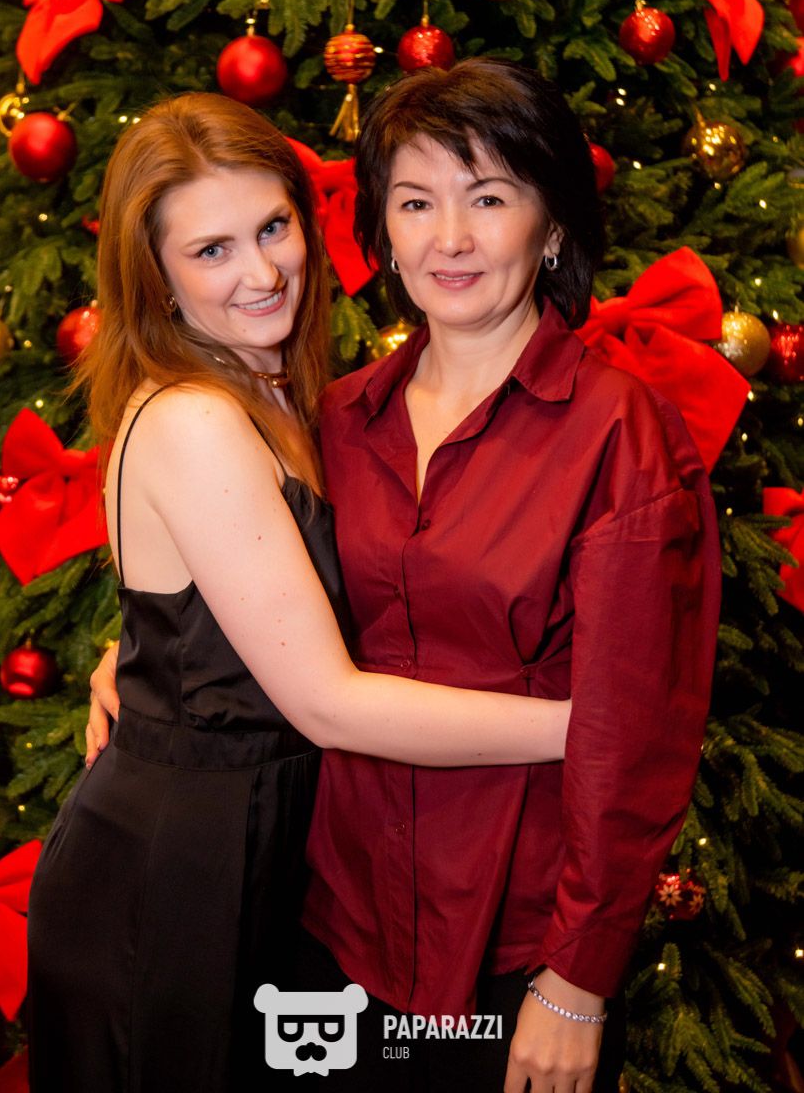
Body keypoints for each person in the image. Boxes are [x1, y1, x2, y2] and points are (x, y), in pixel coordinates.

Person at [86, 63, 720, 1092]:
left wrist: (577, 979)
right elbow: (272, 606)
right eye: (416, 203)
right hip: (334, 926)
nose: (449, 239)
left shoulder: (619, 432)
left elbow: (641, 732)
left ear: (551, 228)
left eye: (489, 199)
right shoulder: (336, 417)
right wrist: (138, 656)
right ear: (380, 232)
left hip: (515, 944)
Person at [27, 90, 572, 1093]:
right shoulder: (195, 416)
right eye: (212, 250)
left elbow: (232, 606)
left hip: (266, 846)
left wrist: (138, 654)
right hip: (176, 874)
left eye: (272, 227)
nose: (263, 271)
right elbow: (326, 701)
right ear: (156, 280)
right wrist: (585, 726)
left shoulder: (276, 389)